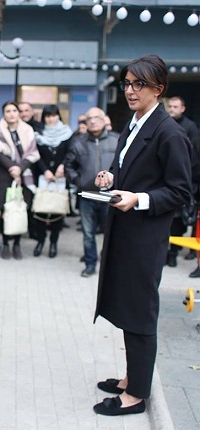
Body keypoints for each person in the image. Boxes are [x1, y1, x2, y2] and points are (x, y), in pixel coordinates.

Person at [93, 55, 191, 416]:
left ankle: (136, 395)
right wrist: (111, 178)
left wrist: (139, 199)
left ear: (158, 89)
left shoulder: (170, 133)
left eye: (139, 84)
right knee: (126, 307)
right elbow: (129, 169)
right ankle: (131, 377)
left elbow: (181, 192)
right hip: (124, 232)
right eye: (127, 83)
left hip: (145, 238)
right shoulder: (134, 123)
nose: (130, 91)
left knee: (140, 313)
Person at [64, 107, 119, 277]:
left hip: (110, 196)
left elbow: (124, 165)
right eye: (89, 119)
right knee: (88, 233)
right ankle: (90, 263)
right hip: (87, 195)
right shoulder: (78, 142)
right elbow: (68, 166)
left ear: (104, 120)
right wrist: (78, 182)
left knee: (111, 233)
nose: (93, 121)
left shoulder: (116, 140)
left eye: (96, 118)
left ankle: (109, 264)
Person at [0, 101, 40, 260]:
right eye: (8, 111)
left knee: (20, 209)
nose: (11, 114)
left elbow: (33, 153)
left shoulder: (27, 129)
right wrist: (13, 168)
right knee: (5, 210)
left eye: (14, 110)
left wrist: (20, 168)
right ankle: (6, 243)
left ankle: (17, 243)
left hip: (24, 175)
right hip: (4, 175)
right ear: (3, 114)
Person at [32, 104, 73, 258]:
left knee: (58, 211)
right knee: (40, 211)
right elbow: (36, 155)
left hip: (60, 177)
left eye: (54, 115)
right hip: (43, 177)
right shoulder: (38, 134)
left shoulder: (67, 132)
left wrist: (62, 166)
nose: (51, 119)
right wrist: (45, 170)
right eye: (48, 116)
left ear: (58, 116)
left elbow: (70, 153)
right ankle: (40, 241)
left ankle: (53, 243)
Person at [167, 96, 200, 264]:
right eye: (170, 106)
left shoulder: (190, 127)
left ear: (182, 108)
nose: (172, 109)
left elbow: (194, 157)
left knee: (178, 221)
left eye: (175, 106)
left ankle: (173, 253)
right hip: (166, 179)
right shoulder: (165, 124)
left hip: (185, 179)